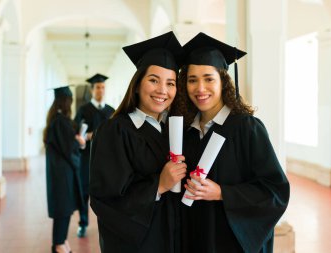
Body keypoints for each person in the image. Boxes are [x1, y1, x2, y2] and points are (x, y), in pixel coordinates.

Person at [171, 32, 290, 253]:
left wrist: (222, 193)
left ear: (223, 81)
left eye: (209, 79)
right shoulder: (186, 133)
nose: (200, 89)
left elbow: (275, 192)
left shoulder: (247, 128)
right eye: (192, 80)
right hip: (195, 240)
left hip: (233, 243)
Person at [89, 31, 186, 253]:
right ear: (137, 84)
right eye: (154, 80)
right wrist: (159, 185)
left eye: (171, 83)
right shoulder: (114, 131)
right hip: (138, 245)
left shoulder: (173, 129)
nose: (163, 90)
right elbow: (104, 199)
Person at [43, 86, 86, 253]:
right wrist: (79, 142)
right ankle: (59, 244)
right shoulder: (60, 121)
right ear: (66, 101)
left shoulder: (56, 120)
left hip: (60, 173)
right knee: (63, 208)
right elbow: (68, 148)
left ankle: (61, 242)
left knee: (65, 209)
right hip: (62, 175)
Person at [74, 73, 115, 237]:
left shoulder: (111, 110)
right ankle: (83, 223)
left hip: (106, 159)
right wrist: (90, 136)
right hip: (86, 158)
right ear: (92, 90)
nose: (101, 90)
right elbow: (77, 134)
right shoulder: (83, 110)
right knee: (84, 190)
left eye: (103, 87)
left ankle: (107, 223)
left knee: (107, 191)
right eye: (98, 87)